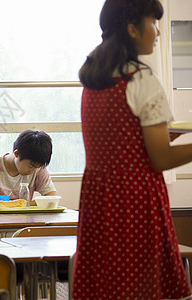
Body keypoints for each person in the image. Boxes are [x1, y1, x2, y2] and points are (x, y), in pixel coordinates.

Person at [72, 0, 192, 298]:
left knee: (108, 287)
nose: (158, 33)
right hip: (135, 199)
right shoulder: (141, 79)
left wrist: (168, 132)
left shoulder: (95, 79)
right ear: (132, 29)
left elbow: (121, 141)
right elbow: (160, 158)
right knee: (141, 287)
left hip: (100, 202)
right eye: (154, 23)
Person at [0, 129, 57, 210]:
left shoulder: (37, 168)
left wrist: (18, 205)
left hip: (23, 221)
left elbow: (52, 199)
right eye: (31, 166)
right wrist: (23, 205)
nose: (33, 171)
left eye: (37, 167)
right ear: (17, 153)